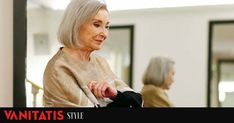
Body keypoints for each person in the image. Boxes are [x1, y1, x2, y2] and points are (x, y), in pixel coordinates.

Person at [43, 0, 142, 107]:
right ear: (75, 24)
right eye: (97, 25)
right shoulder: (59, 68)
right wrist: (124, 101)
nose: (104, 34)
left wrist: (116, 95)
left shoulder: (100, 61)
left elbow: (137, 100)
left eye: (107, 26)